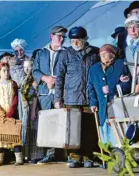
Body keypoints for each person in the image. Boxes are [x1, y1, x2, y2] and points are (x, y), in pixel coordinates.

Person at [54, 27, 100, 168]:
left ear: (85, 39)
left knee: (89, 128)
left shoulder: (95, 53)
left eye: (78, 40)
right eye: (73, 40)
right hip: (71, 98)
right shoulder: (65, 54)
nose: (75, 42)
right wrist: (57, 98)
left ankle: (88, 155)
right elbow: (59, 77)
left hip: (88, 97)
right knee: (73, 129)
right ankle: (74, 156)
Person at [32, 26, 68, 164]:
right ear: (51, 36)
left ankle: (65, 153)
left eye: (64, 37)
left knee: (62, 122)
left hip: (61, 92)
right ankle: (50, 153)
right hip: (45, 93)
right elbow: (35, 71)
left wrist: (56, 81)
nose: (62, 39)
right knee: (47, 123)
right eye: (59, 36)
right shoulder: (42, 53)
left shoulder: (67, 53)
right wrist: (46, 79)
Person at [88, 44, 131, 146]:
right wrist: (93, 103)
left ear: (113, 55)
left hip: (116, 105)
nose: (104, 57)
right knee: (104, 134)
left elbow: (127, 83)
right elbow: (90, 87)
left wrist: (112, 89)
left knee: (117, 132)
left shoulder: (121, 64)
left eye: (107, 54)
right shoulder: (94, 69)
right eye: (102, 54)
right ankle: (108, 157)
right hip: (102, 107)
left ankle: (119, 154)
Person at [0, 62, 23, 166]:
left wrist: (11, 111)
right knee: (1, 135)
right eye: (3, 71)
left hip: (11, 112)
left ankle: (18, 157)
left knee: (14, 134)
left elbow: (15, 98)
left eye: (8, 70)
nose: (6, 73)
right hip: (0, 114)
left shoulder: (13, 83)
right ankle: (0, 158)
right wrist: (1, 111)